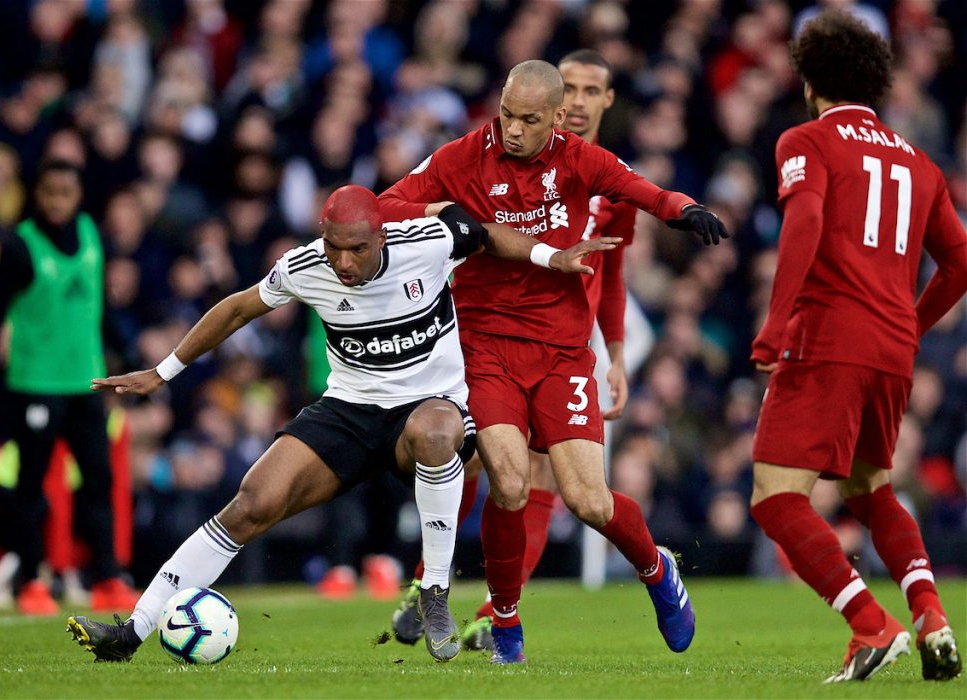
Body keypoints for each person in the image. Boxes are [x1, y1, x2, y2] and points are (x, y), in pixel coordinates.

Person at [66, 185, 618, 664]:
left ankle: (434, 590)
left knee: (436, 433)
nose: (344, 262)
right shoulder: (305, 266)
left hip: (427, 405)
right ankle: (133, 629)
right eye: (334, 247)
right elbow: (236, 309)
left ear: (383, 236)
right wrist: (163, 372)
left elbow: (488, 234)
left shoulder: (426, 244)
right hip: (349, 410)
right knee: (253, 501)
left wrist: (551, 257)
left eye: (357, 248)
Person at [379, 59, 727, 664]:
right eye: (506, 114)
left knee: (588, 500)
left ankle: (656, 569)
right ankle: (504, 623)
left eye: (528, 120)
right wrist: (436, 214)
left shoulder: (581, 162)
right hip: (483, 345)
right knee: (508, 485)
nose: (512, 129)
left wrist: (683, 208)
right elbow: (385, 206)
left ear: (557, 117)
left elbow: (644, 193)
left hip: (564, 353)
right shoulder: (459, 158)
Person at [748, 9, 965, 683]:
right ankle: (932, 614)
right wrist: (912, 324)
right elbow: (960, 264)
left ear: (811, 79)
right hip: (891, 350)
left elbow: (806, 219)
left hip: (828, 337)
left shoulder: (805, 141)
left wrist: (776, 325)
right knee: (870, 489)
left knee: (775, 498)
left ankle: (871, 624)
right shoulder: (920, 163)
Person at [0, 159, 137, 616]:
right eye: (49, 193)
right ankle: (31, 580)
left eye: (65, 193)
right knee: (32, 485)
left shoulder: (91, 236)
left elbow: (97, 304)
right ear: (37, 194)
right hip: (34, 384)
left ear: (78, 195)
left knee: (99, 481)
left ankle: (107, 577)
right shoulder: (20, 247)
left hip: (85, 383)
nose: (57, 202)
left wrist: (122, 350)